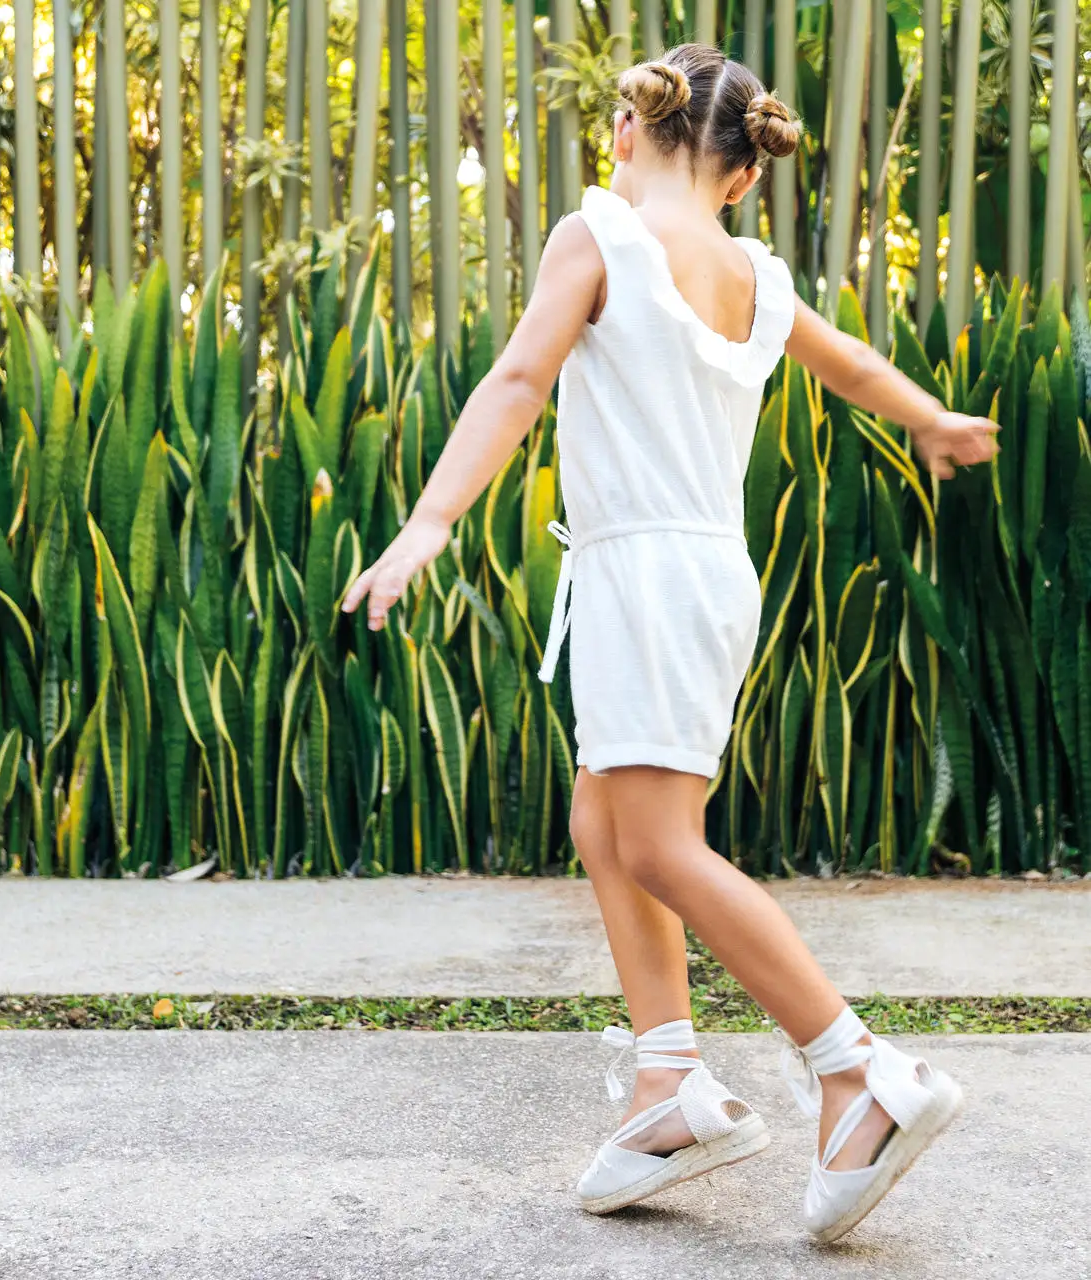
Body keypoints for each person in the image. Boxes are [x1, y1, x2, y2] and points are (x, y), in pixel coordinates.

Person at [344, 44, 997, 1243]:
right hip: (704, 573)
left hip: (641, 573)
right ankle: (669, 1084)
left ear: (627, 135)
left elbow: (517, 378)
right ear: (748, 175)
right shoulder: (753, 270)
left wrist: (426, 523)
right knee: (606, 819)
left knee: (655, 839)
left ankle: (859, 1071)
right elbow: (844, 363)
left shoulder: (596, 234)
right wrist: (932, 416)